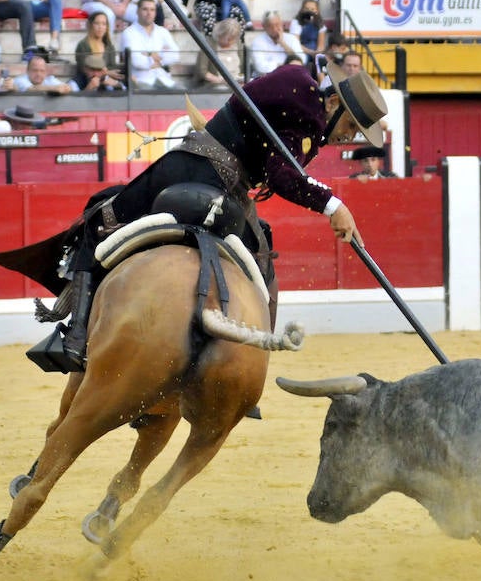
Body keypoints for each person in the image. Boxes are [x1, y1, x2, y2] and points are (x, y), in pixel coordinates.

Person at [24, 57, 387, 370]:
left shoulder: (301, 95)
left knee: (102, 219)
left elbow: (278, 164)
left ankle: (75, 338)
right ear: (334, 100)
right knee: (262, 262)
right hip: (215, 181)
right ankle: (252, 361)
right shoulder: (306, 107)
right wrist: (332, 205)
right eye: (352, 125)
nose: (348, 136)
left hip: (200, 173)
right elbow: (283, 175)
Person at [122, 0, 179, 89]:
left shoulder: (163, 32)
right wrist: (159, 56)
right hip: (141, 81)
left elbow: (175, 55)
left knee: (183, 93)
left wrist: (149, 55)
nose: (149, 13)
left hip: (164, 79)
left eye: (152, 10)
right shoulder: (129, 33)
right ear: (137, 11)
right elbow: (137, 61)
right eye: (145, 9)